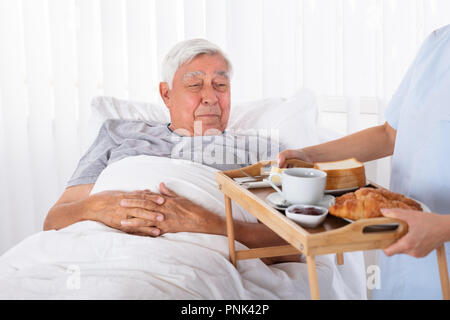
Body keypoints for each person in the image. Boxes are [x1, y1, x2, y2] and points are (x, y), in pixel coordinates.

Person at [44, 38, 299, 264]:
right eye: (195, 84)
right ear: (166, 95)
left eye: (220, 84)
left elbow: (293, 245)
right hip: (96, 252)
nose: (210, 97)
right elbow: (54, 220)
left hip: (197, 261)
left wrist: (210, 224)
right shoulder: (119, 133)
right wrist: (97, 207)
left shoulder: (260, 150)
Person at [278, 24, 450, 299]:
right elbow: (389, 134)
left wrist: (443, 227)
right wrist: (311, 156)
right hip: (405, 249)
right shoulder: (438, 43)